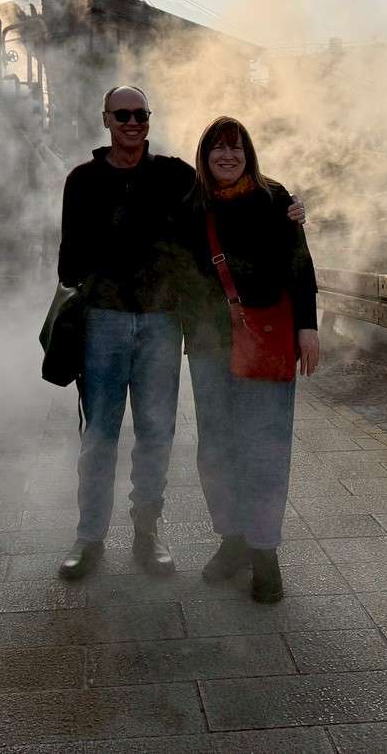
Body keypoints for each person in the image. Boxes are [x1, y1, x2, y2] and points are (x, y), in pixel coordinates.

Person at [54, 87, 304, 581]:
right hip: (104, 320)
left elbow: (233, 190)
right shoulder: (82, 181)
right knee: (99, 433)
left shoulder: (174, 176)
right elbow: (68, 261)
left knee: (156, 432)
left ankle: (147, 532)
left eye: (140, 114)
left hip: (163, 322)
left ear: (148, 119)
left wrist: (288, 206)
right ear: (106, 119)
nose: (132, 122)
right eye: (122, 115)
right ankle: (89, 538)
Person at [181, 116, 319, 604]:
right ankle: (232, 539)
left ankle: (264, 550)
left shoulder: (275, 198)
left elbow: (300, 263)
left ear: (249, 153)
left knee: (265, 447)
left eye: (236, 147)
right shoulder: (191, 203)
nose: (227, 156)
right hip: (208, 344)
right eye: (217, 147)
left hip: (266, 339)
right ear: (204, 155)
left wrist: (308, 326)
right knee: (217, 447)